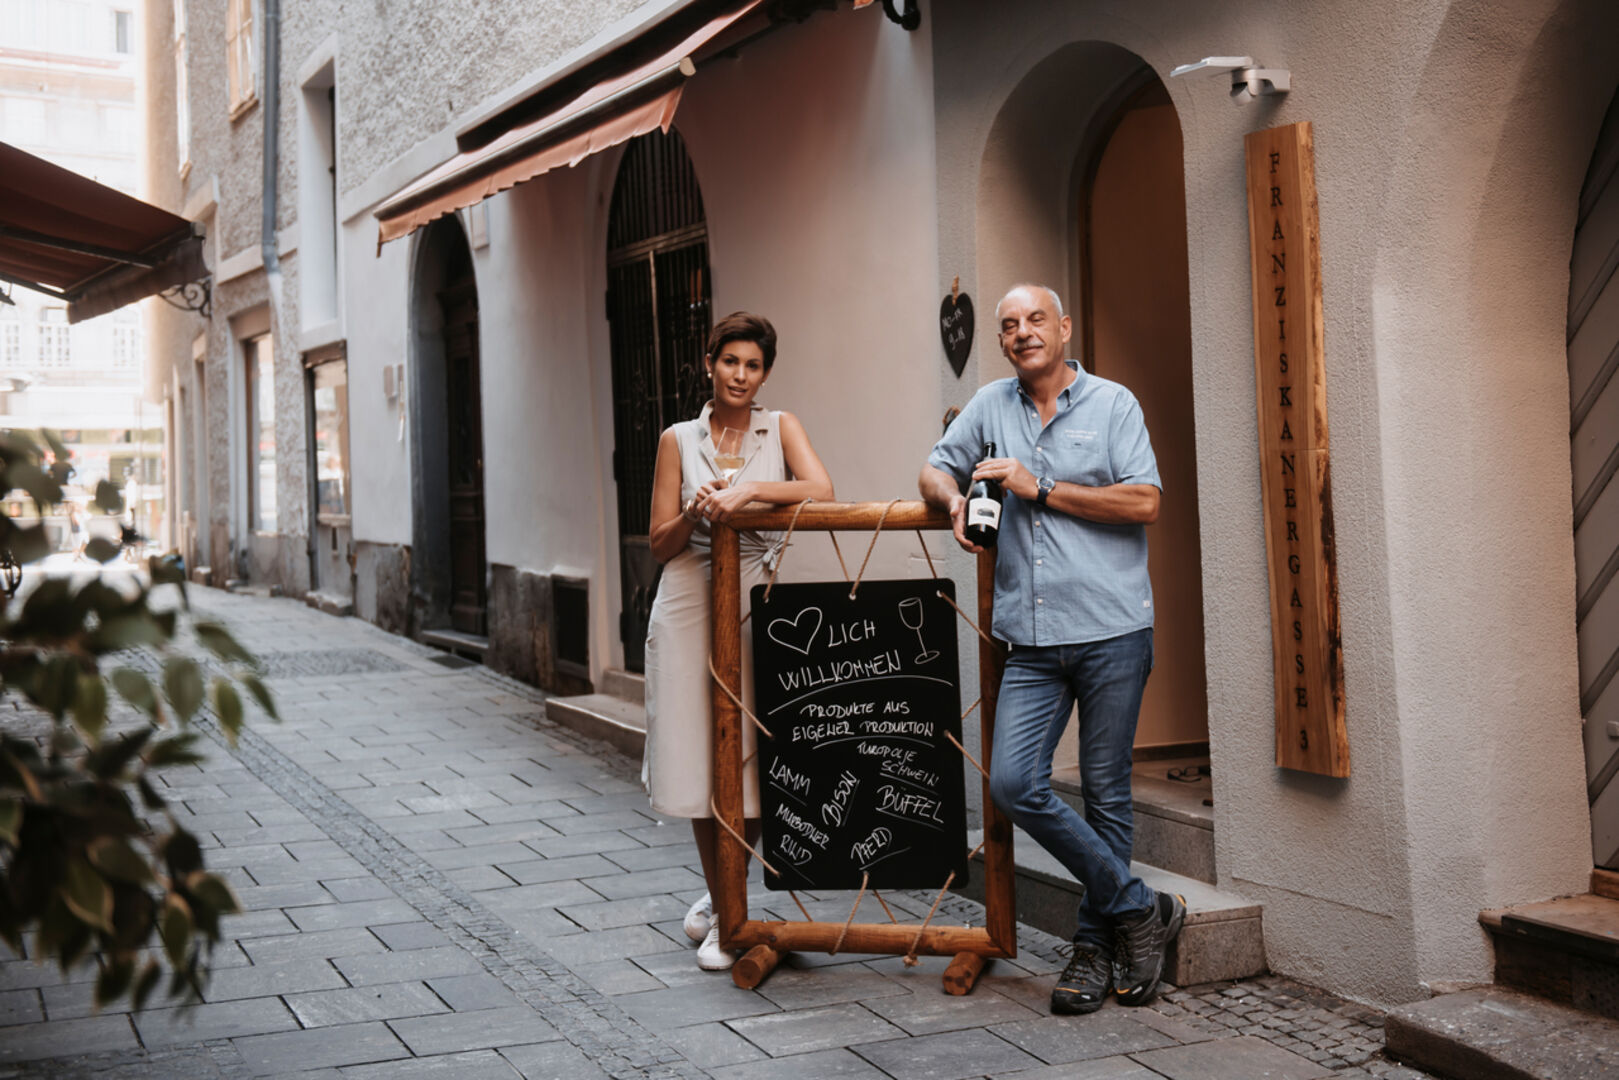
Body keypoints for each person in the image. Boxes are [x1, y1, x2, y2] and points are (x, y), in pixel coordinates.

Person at [918, 283, 1184, 1015]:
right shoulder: (989, 406)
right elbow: (934, 466)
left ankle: (1093, 947)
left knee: (1105, 794)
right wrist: (952, 502)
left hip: (1111, 631)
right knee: (1012, 785)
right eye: (1009, 325)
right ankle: (1140, 908)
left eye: (1035, 319)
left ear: (1063, 328)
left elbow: (1144, 501)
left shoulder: (1112, 404)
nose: (1022, 332)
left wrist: (1038, 487)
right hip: (1030, 640)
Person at [643, 312, 835, 971]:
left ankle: (729, 892)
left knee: (753, 749)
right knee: (699, 749)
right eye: (730, 361)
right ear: (709, 363)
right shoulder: (676, 438)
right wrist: (692, 510)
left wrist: (750, 491)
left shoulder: (780, 428)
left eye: (753, 365)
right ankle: (728, 909)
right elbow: (659, 543)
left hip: (758, 594)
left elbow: (821, 490)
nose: (740, 375)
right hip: (688, 594)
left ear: (765, 373)